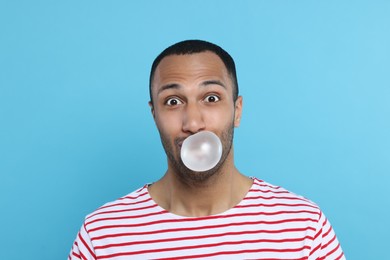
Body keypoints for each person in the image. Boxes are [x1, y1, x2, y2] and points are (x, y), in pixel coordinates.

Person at [69, 40, 345, 259]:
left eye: (211, 98)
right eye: (173, 101)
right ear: (154, 115)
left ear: (236, 111)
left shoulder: (303, 226)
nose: (193, 122)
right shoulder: (102, 233)